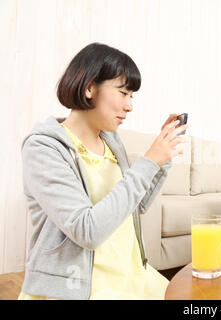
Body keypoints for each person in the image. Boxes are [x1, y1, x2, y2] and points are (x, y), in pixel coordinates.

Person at [18, 43, 187, 300]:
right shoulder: (44, 148)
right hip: (84, 288)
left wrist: (163, 157)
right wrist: (149, 161)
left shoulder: (111, 140)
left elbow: (135, 206)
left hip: (131, 276)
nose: (129, 106)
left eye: (132, 96)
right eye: (123, 93)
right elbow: (87, 230)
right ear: (89, 88)